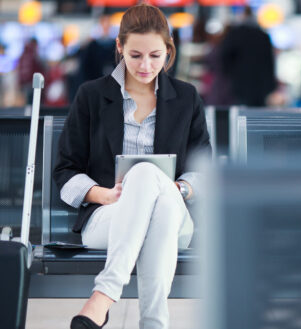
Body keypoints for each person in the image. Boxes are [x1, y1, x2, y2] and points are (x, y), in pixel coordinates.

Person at [52, 4, 211, 329]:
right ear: (120, 47)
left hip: (173, 220)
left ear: (168, 51)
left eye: (155, 55)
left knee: (156, 187)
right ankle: (154, 323)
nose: (146, 65)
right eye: (135, 55)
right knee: (152, 184)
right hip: (107, 219)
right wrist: (102, 194)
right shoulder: (92, 96)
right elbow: (65, 171)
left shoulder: (186, 98)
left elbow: (203, 169)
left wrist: (179, 188)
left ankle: (104, 296)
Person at [219, 6, 276, 106]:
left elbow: (225, 56)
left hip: (240, 81)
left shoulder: (235, 34)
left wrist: (228, 74)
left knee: (239, 112)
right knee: (257, 114)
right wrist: (270, 84)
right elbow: (270, 62)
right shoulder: (263, 36)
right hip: (260, 83)